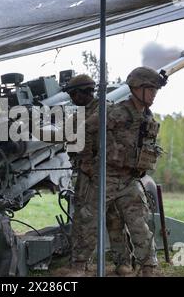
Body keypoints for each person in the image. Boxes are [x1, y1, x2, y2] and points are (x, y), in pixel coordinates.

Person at [81, 66, 164, 277]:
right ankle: (78, 266)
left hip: (130, 179)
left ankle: (148, 267)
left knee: (140, 223)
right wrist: (88, 164)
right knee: (89, 222)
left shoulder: (147, 117)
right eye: (150, 89)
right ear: (136, 88)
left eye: (156, 90)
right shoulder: (116, 112)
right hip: (106, 176)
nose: (154, 94)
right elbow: (86, 131)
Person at [59, 74, 133, 276]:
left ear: (84, 92)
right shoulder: (80, 113)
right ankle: (80, 262)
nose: (72, 98)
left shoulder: (104, 109)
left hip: (106, 173)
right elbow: (64, 133)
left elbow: (87, 131)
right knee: (85, 216)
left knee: (112, 217)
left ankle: (122, 262)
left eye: (73, 94)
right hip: (87, 173)